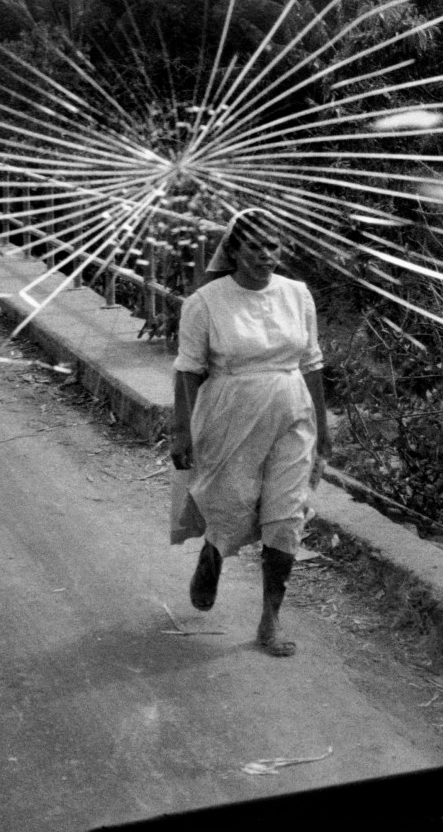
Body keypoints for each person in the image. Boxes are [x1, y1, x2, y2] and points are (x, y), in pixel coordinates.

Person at [169, 208, 331, 658]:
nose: (266, 255)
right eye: (256, 247)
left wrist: (323, 426)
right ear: (234, 251)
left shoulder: (297, 295)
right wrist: (181, 432)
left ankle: (270, 620)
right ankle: (214, 554)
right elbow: (187, 370)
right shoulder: (205, 303)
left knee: (287, 512)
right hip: (229, 414)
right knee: (232, 505)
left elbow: (312, 363)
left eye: (273, 246)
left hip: (291, 409)